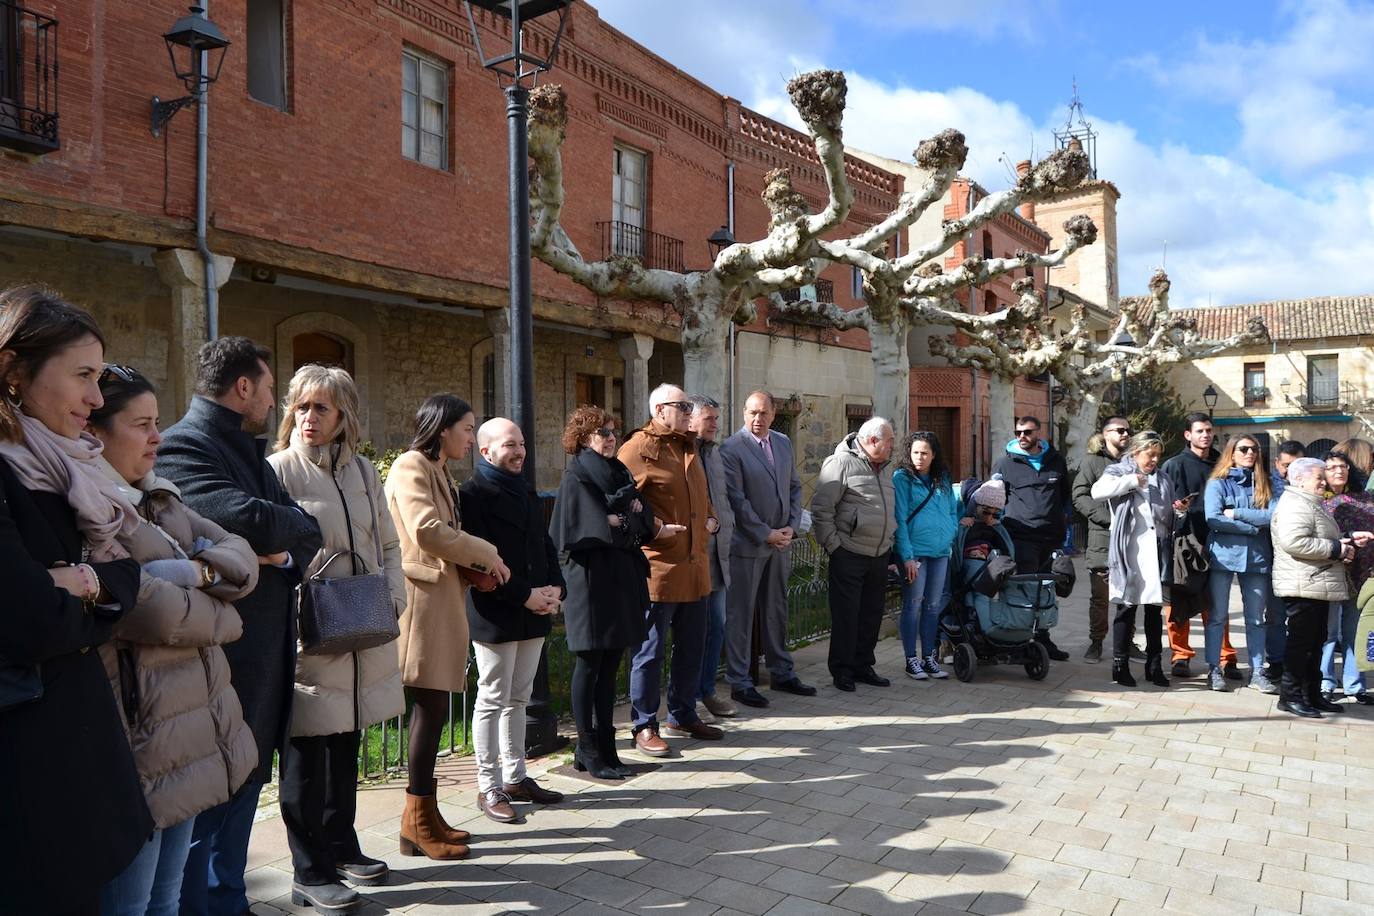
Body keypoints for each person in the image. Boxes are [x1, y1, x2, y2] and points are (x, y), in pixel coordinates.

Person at [155, 337, 324, 916]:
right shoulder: (185, 445)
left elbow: (301, 528)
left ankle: (231, 899)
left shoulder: (248, 448)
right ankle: (203, 905)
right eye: (272, 388)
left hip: (263, 657)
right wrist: (273, 539)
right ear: (244, 387)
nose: (277, 402)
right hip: (224, 660)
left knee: (247, 784)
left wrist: (273, 544)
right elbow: (247, 519)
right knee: (213, 794)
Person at [0, 286, 150, 916]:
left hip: (77, 766)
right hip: (30, 781)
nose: (97, 396)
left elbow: (128, 579)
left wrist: (78, 581)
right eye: (83, 376)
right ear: (13, 372)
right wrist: (83, 585)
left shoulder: (67, 467)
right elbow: (32, 619)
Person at [89, 365, 258, 916]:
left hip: (187, 733)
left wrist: (191, 573)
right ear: (96, 434)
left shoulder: (160, 499)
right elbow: (147, 611)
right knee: (131, 906)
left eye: (157, 422)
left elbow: (242, 557)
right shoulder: (91, 511)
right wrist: (216, 591)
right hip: (142, 740)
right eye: (141, 424)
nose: (157, 437)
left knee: (166, 901)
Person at [267, 364, 406, 912]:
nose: (308, 417)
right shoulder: (278, 471)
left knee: (347, 742)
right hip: (311, 634)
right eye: (301, 406)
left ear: (344, 414)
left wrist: (393, 596)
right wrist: (302, 608)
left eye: (321, 407)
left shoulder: (363, 472)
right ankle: (308, 868)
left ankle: (342, 844)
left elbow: (389, 543)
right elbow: (273, 553)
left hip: (364, 624)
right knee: (306, 752)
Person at [385, 394, 510, 859]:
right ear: (443, 429)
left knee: (434, 710)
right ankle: (417, 821)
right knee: (431, 708)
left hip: (440, 600)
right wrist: (487, 553)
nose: (472, 438)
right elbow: (425, 531)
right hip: (421, 605)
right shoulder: (410, 466)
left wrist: (474, 569)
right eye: (467, 428)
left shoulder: (437, 470)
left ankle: (423, 816)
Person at [459, 418, 566, 822]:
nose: (520, 451)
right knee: (491, 699)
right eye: (510, 445)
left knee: (518, 699)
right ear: (486, 451)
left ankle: (516, 776)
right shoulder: (472, 495)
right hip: (498, 612)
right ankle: (488, 786)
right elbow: (481, 563)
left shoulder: (525, 489)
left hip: (535, 610)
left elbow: (544, 544)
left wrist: (556, 588)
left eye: (521, 443)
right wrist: (527, 596)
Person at [550, 407, 655, 779]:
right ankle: (587, 747)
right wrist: (623, 518)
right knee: (589, 663)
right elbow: (585, 529)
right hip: (590, 582)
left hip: (621, 577)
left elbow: (642, 521)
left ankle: (608, 748)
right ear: (583, 439)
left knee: (611, 664)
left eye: (613, 431)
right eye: (601, 433)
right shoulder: (576, 475)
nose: (610, 437)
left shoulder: (619, 471)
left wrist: (621, 519)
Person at [618, 383, 722, 756]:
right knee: (650, 652)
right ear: (661, 409)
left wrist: (712, 520)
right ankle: (644, 724)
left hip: (695, 568)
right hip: (658, 570)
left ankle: (682, 713)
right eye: (683, 406)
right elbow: (620, 503)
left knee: (692, 647)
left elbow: (703, 498)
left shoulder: (689, 445)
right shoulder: (638, 448)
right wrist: (656, 529)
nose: (690, 411)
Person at [719, 390, 814, 708]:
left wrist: (790, 524)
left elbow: (795, 486)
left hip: (781, 542)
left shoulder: (783, 443)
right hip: (748, 545)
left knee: (777, 609)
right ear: (744, 414)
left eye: (763, 413)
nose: (757, 419)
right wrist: (766, 533)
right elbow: (737, 500)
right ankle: (740, 681)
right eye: (751, 413)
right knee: (741, 614)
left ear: (774, 414)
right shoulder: (731, 449)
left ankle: (781, 672)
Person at [1091, 431, 1184, 688]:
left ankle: (1154, 664)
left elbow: (1166, 519)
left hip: (1155, 551)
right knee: (1126, 606)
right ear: (1135, 452)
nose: (1154, 459)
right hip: (1128, 550)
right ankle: (1120, 664)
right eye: (1149, 454)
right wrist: (1132, 480)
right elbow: (1097, 491)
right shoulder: (1118, 471)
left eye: (1157, 455)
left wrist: (1178, 512)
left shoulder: (1163, 479)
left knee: (1154, 609)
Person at [1270, 457, 1361, 718]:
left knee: (1315, 641)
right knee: (1301, 644)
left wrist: (1347, 542)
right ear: (1299, 479)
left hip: (1315, 582)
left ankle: (1311, 694)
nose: (1324, 482)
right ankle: (1290, 697)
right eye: (1318, 477)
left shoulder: (1310, 502)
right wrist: (1336, 549)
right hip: (1302, 583)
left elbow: (1317, 537)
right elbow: (1294, 541)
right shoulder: (1295, 504)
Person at [811, 416, 896, 692]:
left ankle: (863, 665)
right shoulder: (841, 463)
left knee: (871, 614)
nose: (893, 446)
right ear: (872, 441)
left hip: (879, 553)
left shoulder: (884, 468)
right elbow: (822, 509)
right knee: (847, 615)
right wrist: (834, 546)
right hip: (848, 552)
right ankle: (842, 670)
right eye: (890, 441)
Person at [1161, 412, 1239, 680]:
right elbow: (1162, 504)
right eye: (1199, 431)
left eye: (1208, 430)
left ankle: (1225, 657)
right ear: (1188, 435)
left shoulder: (1223, 463)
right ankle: (1180, 656)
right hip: (1185, 543)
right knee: (1178, 602)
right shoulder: (1174, 465)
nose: (1205, 435)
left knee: (1217, 603)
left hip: (1219, 542)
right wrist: (1176, 509)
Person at [1201, 434, 1277, 694]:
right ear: (1231, 453)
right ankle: (1214, 669)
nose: (1250, 453)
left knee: (1256, 619)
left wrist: (1237, 514)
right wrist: (1251, 528)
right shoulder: (1217, 483)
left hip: (1256, 558)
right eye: (1243, 449)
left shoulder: (1266, 483)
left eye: (1254, 449)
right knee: (1217, 617)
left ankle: (1257, 671)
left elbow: (1272, 516)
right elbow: (1213, 518)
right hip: (1223, 556)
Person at [992, 415, 1071, 661]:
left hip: (1052, 538)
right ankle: (1019, 639)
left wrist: (1065, 530)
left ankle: (1043, 639)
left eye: (1027, 432)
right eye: (1018, 432)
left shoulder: (1056, 461)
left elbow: (1065, 498)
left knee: (1047, 589)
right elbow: (994, 499)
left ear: (1039, 432)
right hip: (1021, 536)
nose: (1021, 437)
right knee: (1024, 588)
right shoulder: (1004, 464)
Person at [892, 430, 959, 680]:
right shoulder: (902, 478)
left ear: (933, 455)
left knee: (933, 606)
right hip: (914, 553)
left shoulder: (942, 477)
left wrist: (950, 532)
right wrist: (906, 556)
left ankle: (929, 658)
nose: (919, 457)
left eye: (925, 453)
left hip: (940, 551)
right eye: (915, 452)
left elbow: (953, 510)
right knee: (914, 604)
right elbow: (899, 517)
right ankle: (911, 659)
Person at [688, 395, 738, 722]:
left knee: (716, 627)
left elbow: (723, 500)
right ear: (690, 419)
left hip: (719, 559)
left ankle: (706, 690)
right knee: (694, 631)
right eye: (709, 418)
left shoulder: (714, 454)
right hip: (694, 560)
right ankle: (687, 697)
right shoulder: (684, 454)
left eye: (717, 418)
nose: (715, 424)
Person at [1072, 417, 1133, 662]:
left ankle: (1127, 642)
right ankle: (1096, 642)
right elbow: (1079, 495)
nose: (1125, 434)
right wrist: (1107, 519)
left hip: (1131, 540)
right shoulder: (1092, 461)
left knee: (1129, 597)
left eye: (1128, 430)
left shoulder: (1133, 460)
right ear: (1106, 434)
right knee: (1100, 596)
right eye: (1120, 430)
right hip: (1102, 540)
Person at [1319, 450, 1374, 705]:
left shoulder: (1365, 498)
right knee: (1328, 633)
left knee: (1353, 632)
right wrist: (1351, 536)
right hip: (1328, 573)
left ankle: (1354, 685)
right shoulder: (1317, 500)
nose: (1338, 471)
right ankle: (1325, 682)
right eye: (1331, 467)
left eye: (1342, 466)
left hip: (1359, 575)